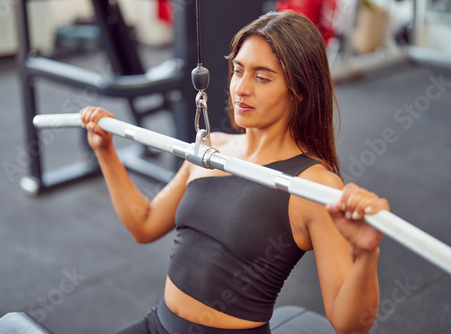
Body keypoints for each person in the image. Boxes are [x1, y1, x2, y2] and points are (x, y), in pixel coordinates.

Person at [79, 10, 388, 334]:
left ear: (300, 90)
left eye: (262, 77)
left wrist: (366, 254)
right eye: (238, 71)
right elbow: (144, 224)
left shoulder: (314, 186)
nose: (240, 88)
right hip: (158, 325)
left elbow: (350, 326)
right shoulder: (212, 149)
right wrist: (106, 151)